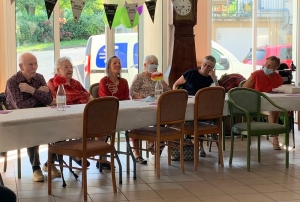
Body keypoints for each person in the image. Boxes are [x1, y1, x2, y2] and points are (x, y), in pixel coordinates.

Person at [5, 52, 61, 182]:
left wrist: (32, 91)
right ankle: (36, 168)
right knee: (33, 128)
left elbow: (48, 99)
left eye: (35, 63)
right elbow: (21, 106)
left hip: (41, 115)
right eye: (30, 64)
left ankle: (50, 163)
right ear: (21, 66)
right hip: (20, 120)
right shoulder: (12, 82)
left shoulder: (39, 78)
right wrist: (39, 94)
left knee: (59, 126)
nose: (34, 67)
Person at [48, 56, 93, 167]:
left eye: (71, 67)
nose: (70, 69)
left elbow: (88, 96)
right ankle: (74, 154)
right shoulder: (52, 83)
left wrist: (93, 106)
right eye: (66, 67)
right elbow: (53, 101)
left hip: (82, 114)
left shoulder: (75, 83)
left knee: (96, 122)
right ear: (58, 70)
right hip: (65, 117)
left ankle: (78, 153)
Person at [172, 55, 219, 157]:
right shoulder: (191, 73)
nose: (205, 67)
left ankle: (200, 145)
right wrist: (177, 96)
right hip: (188, 103)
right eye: (204, 64)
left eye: (209, 66)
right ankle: (190, 143)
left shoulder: (211, 79)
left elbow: (219, 92)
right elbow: (175, 85)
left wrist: (214, 77)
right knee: (192, 117)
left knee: (201, 115)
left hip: (204, 106)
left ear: (212, 69)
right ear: (201, 64)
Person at [130, 55, 169, 164]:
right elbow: (132, 93)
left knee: (163, 118)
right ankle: (143, 148)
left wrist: (162, 81)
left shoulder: (158, 78)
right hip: (143, 106)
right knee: (141, 121)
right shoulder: (139, 77)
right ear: (145, 65)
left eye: (156, 63)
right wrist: (143, 98)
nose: (154, 66)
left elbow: (168, 90)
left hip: (157, 107)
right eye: (151, 63)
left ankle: (155, 143)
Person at [243, 56, 283, 150]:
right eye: (266, 64)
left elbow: (279, 92)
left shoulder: (278, 78)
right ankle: (275, 138)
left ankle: (275, 138)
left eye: (270, 66)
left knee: (274, 108)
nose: (266, 66)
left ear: (275, 68)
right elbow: (243, 89)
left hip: (270, 104)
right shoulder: (256, 74)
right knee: (274, 108)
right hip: (256, 103)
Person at [98, 56, 130, 168]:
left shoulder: (124, 82)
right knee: (102, 126)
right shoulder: (104, 81)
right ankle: (102, 158)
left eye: (119, 63)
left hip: (121, 113)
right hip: (108, 113)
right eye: (114, 63)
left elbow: (127, 99)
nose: (118, 65)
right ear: (109, 67)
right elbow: (104, 99)